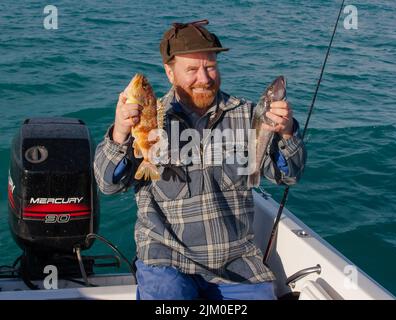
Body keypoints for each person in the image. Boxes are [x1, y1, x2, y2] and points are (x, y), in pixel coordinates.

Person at [94, 19, 306, 300]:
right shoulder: (146, 119)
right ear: (169, 72)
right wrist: (121, 131)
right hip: (166, 260)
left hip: (236, 264)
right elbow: (108, 185)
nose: (204, 78)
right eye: (192, 70)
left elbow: (288, 176)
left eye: (211, 67)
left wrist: (287, 132)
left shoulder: (247, 115)